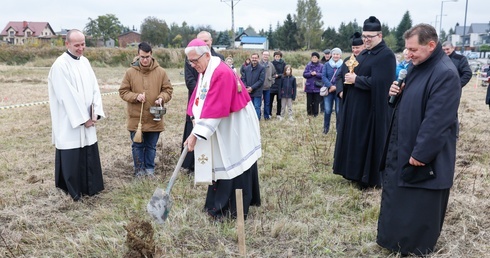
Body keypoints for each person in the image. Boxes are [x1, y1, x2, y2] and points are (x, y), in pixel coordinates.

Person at [377, 23, 461, 256]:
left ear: (431, 45)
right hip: (403, 145)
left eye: (413, 49)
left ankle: (414, 247)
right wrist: (397, 94)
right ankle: (395, 241)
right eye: (406, 49)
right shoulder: (417, 67)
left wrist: (421, 153)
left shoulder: (444, 73)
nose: (408, 54)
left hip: (422, 155)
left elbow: (438, 120)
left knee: (418, 203)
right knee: (401, 199)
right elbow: (415, 100)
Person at [183, 38, 262, 220]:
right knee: (222, 160)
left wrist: (196, 134)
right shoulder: (206, 69)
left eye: (195, 61)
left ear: (207, 54)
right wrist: (194, 116)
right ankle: (216, 202)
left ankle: (229, 208)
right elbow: (199, 94)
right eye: (190, 62)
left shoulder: (221, 72)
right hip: (223, 122)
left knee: (234, 161)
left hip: (235, 123)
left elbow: (216, 108)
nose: (193, 65)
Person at [333, 16, 396, 189]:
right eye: (365, 36)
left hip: (371, 110)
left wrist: (357, 80)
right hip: (356, 107)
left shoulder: (386, 55)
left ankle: (367, 178)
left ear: (380, 36)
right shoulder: (365, 53)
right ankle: (353, 173)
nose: (366, 40)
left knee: (365, 142)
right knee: (355, 140)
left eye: (370, 36)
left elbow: (383, 83)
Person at [48, 29, 105, 201]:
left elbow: (95, 88)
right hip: (70, 122)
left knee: (88, 151)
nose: (81, 48)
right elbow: (67, 95)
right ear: (67, 44)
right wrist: (84, 119)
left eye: (83, 44)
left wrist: (95, 112)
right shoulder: (60, 65)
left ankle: (90, 187)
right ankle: (73, 191)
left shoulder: (85, 62)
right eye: (77, 45)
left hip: (88, 118)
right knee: (71, 154)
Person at [119, 42, 173, 177]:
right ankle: (139, 171)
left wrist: (161, 98)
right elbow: (123, 92)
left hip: (154, 117)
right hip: (136, 119)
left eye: (147, 57)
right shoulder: (130, 73)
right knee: (137, 146)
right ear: (138, 55)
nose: (144, 60)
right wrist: (136, 96)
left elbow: (168, 90)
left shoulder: (161, 72)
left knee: (151, 147)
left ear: (151, 55)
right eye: (142, 57)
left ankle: (149, 171)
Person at [182, 31, 224, 173]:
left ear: (211, 41)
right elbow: (190, 80)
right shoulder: (192, 57)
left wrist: (208, 96)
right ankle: (190, 164)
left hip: (213, 101)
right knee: (192, 131)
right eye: (201, 40)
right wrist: (201, 94)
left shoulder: (218, 59)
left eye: (206, 41)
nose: (204, 43)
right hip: (197, 100)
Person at [321, 47, 343, 134]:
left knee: (338, 111)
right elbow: (323, 76)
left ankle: (339, 129)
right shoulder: (326, 65)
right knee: (327, 110)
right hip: (328, 91)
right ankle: (326, 129)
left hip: (338, 91)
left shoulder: (343, 65)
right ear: (331, 55)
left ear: (340, 55)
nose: (335, 56)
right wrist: (330, 86)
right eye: (334, 54)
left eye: (337, 54)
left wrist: (336, 87)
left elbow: (344, 77)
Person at [241, 53, 265, 119]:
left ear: (258, 59)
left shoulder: (262, 68)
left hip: (257, 91)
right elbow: (243, 78)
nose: (254, 59)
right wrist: (246, 87)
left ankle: (257, 120)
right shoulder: (246, 68)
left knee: (257, 106)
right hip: (248, 92)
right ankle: (249, 120)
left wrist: (252, 88)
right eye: (253, 58)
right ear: (251, 59)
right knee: (248, 107)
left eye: (256, 58)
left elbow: (261, 80)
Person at [303, 52, 324, 117]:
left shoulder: (321, 66)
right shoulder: (308, 65)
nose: (314, 59)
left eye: (315, 57)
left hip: (317, 87)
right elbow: (304, 74)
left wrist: (316, 74)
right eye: (313, 57)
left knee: (316, 101)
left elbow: (323, 75)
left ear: (318, 58)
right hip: (309, 86)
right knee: (309, 101)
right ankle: (309, 114)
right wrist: (310, 74)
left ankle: (315, 114)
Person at [260, 50, 276, 120]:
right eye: (264, 54)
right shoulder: (258, 64)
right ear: (262, 55)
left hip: (267, 87)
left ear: (268, 56)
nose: (265, 56)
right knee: (258, 104)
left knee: (267, 103)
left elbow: (274, 74)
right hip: (259, 88)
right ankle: (258, 116)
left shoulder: (271, 65)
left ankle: (266, 116)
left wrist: (271, 81)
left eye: (267, 55)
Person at [270, 51, 287, 119]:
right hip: (272, 83)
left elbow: (285, 73)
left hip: (280, 83)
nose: (277, 57)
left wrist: (279, 75)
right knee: (270, 100)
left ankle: (278, 114)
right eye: (276, 56)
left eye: (278, 56)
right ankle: (269, 113)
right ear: (274, 57)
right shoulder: (271, 63)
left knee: (279, 100)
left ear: (280, 57)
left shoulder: (283, 63)